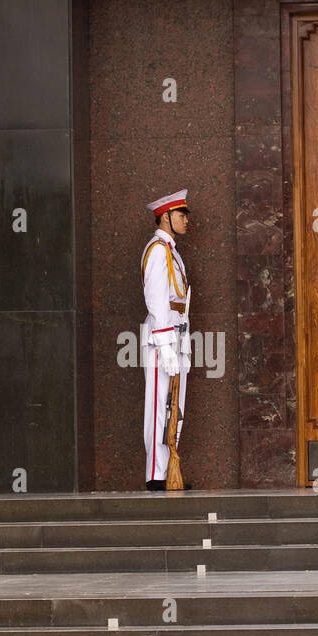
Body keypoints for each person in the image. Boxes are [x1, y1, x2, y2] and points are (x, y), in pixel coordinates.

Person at [141, 189, 193, 491]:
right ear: (165, 216)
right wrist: (164, 345)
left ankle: (169, 468)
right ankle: (156, 474)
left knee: (175, 407)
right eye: (180, 215)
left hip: (178, 333)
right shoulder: (158, 249)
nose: (185, 220)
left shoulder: (170, 249)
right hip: (164, 337)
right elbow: (156, 299)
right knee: (160, 406)